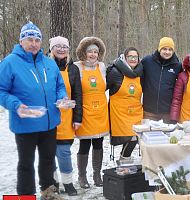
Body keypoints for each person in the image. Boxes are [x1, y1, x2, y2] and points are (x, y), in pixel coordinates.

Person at [0, 21, 66, 199]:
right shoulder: (9, 63)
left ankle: (49, 190)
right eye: (29, 39)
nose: (34, 43)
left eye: (37, 40)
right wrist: (16, 105)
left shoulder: (49, 63)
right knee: (26, 163)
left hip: (49, 122)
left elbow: (60, 85)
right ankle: (26, 195)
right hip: (25, 124)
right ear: (21, 41)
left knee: (48, 160)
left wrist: (62, 98)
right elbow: (1, 90)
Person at [74, 36, 109, 188]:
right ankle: (82, 176)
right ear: (84, 52)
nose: (93, 54)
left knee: (98, 144)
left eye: (96, 51)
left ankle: (97, 175)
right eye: (90, 52)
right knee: (84, 144)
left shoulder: (102, 67)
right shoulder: (77, 67)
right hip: (85, 112)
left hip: (100, 111)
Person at [49, 36, 82, 196]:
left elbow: (78, 94)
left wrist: (78, 118)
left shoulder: (73, 68)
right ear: (51, 49)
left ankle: (68, 182)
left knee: (64, 153)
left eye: (64, 47)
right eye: (58, 46)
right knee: (47, 154)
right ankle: (53, 183)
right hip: (47, 118)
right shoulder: (44, 65)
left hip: (67, 118)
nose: (61, 49)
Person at [107, 47, 143, 161]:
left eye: (135, 57)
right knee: (131, 137)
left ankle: (124, 160)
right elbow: (101, 88)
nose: (133, 59)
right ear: (124, 57)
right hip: (120, 113)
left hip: (136, 112)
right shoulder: (115, 72)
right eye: (130, 57)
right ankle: (124, 160)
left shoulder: (141, 73)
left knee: (135, 137)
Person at [141, 37, 182, 121]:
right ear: (159, 49)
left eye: (170, 50)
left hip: (167, 112)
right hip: (149, 111)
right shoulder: (147, 61)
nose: (167, 52)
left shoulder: (177, 66)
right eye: (164, 49)